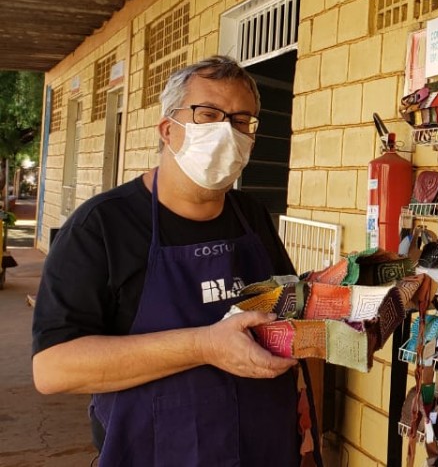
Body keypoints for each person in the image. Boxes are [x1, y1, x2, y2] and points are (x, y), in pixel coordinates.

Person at [31, 56, 301, 466]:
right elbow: (53, 369)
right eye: (208, 114)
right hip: (154, 452)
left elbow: (291, 314)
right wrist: (204, 345)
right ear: (167, 129)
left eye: (241, 120)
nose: (227, 131)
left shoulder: (253, 217)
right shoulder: (102, 226)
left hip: (265, 449)